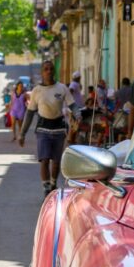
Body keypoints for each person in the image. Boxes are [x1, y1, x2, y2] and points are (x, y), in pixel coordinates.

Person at [21, 60, 80, 196]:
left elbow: (72, 105)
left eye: (51, 69)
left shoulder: (62, 88)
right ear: (42, 72)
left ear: (54, 71)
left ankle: (53, 183)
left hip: (59, 129)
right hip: (43, 129)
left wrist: (78, 114)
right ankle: (46, 187)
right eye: (46, 69)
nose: (49, 71)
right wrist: (22, 133)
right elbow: (30, 113)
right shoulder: (37, 91)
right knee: (44, 159)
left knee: (56, 161)